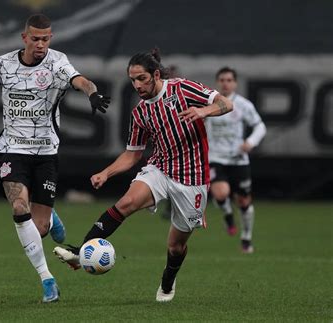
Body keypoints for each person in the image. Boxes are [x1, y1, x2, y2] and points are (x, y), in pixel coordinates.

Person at [0, 14, 110, 303]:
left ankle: (50, 216)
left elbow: (80, 80)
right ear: (24, 38)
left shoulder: (57, 62)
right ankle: (47, 279)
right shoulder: (3, 64)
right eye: (35, 38)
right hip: (12, 149)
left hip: (46, 152)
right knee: (18, 206)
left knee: (41, 229)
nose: (40, 44)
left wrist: (93, 94)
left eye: (46, 38)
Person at [54, 48, 233, 302]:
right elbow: (132, 155)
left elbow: (226, 103)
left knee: (176, 246)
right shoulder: (140, 113)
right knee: (125, 203)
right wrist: (106, 173)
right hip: (160, 170)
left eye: (141, 79)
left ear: (156, 74)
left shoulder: (181, 89)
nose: (136, 85)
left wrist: (204, 111)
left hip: (193, 179)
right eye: (132, 80)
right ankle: (80, 251)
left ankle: (168, 283)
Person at [204, 67, 266, 254]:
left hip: (238, 159)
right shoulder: (209, 103)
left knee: (244, 201)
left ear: (235, 83)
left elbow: (260, 126)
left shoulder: (243, 105)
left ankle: (246, 238)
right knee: (221, 193)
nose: (225, 83)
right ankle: (228, 215)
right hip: (215, 157)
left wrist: (250, 142)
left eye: (229, 80)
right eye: (222, 80)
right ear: (217, 82)